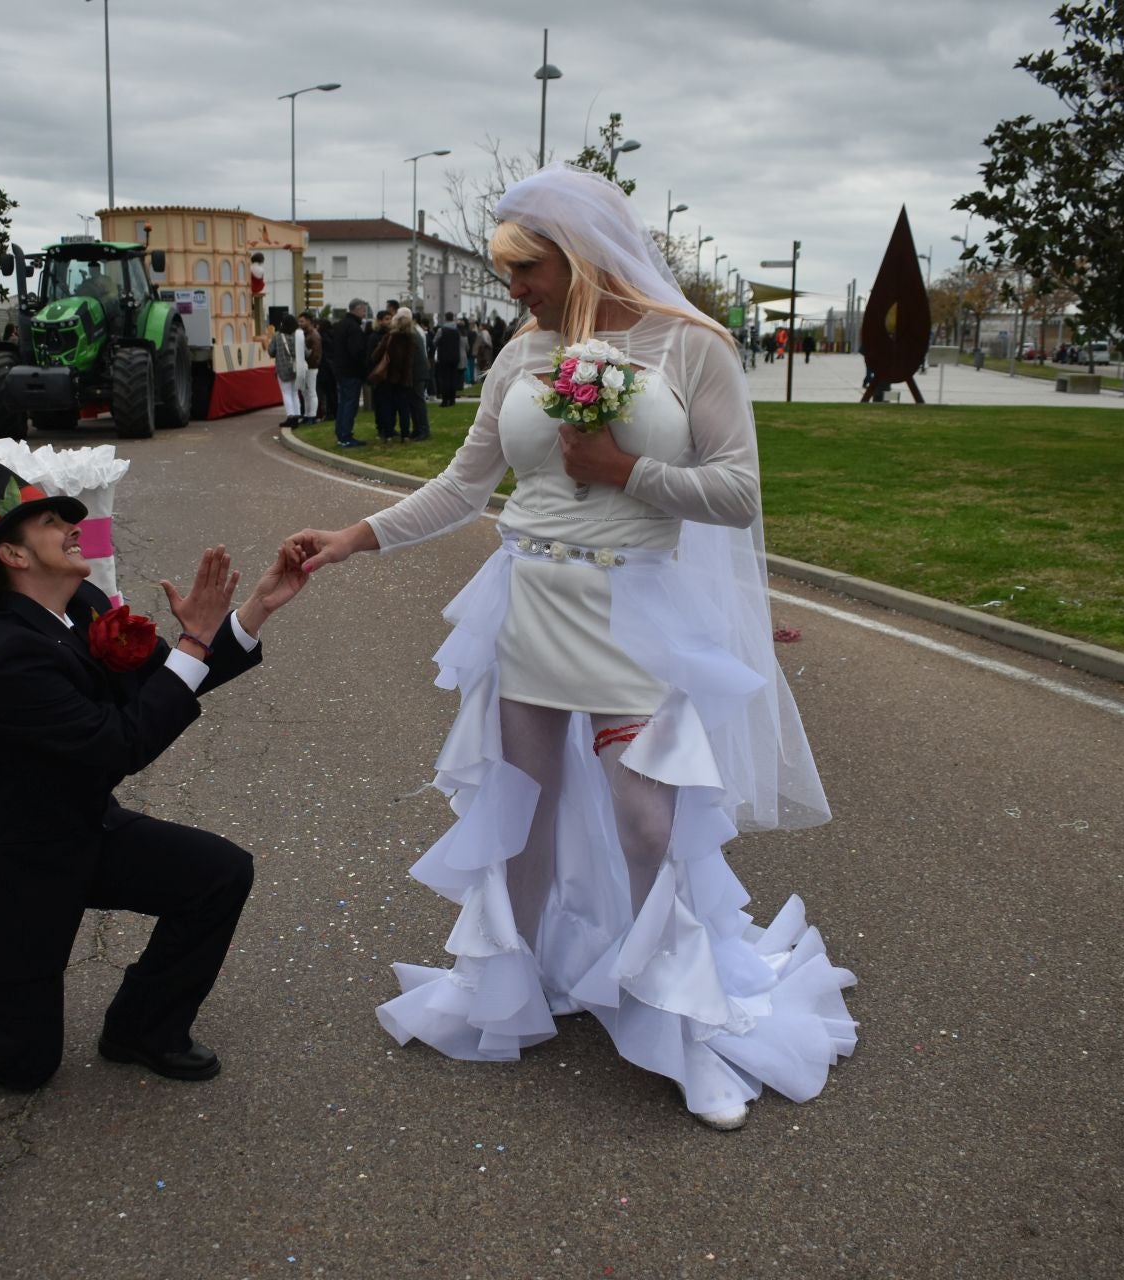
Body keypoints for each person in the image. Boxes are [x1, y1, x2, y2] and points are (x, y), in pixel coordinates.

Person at [284, 165, 854, 1132]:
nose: (516, 289)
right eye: (510, 273)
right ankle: (518, 987)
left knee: (647, 823)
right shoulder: (522, 352)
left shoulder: (694, 347)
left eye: (528, 268)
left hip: (636, 615)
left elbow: (738, 493)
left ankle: (687, 1029)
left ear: (582, 253)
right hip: (530, 606)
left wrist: (630, 471)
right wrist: (351, 540)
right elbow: (466, 489)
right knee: (521, 818)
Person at [0, 462, 309, 1091]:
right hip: (9, 872)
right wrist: (194, 642)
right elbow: (121, 743)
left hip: (82, 829)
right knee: (19, 1060)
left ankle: (143, 1026)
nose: (72, 525)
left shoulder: (80, 607)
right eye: (51, 522)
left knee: (219, 874)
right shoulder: (3, 658)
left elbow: (164, 682)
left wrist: (251, 613)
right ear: (12, 554)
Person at [368, 309, 420, 443]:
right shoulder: (411, 339)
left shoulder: (389, 337)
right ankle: (405, 434)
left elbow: (375, 355)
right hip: (404, 378)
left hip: (389, 377)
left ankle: (388, 433)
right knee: (404, 408)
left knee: (388, 406)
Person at [326, 299, 371, 449]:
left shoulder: (339, 326)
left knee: (343, 403)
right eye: (363, 310)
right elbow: (357, 352)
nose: (364, 313)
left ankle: (341, 434)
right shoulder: (354, 328)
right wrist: (364, 368)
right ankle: (346, 436)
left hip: (340, 370)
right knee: (350, 404)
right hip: (352, 372)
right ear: (356, 309)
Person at [269, 313, 304, 426]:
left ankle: (291, 416)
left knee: (286, 393)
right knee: (295, 392)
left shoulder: (277, 336)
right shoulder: (298, 335)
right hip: (296, 368)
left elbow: (271, 352)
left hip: (283, 368)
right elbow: (305, 352)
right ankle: (297, 415)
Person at [433, 312, 465, 407]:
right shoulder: (457, 330)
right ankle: (452, 399)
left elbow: (435, 342)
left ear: (445, 318)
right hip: (455, 357)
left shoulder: (441, 330)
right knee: (453, 378)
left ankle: (445, 400)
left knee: (445, 379)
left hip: (444, 357)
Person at [297, 313, 322, 423]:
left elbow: (316, 354)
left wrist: (309, 364)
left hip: (311, 367)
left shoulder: (313, 335)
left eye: (302, 321)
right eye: (299, 321)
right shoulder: (306, 334)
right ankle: (307, 415)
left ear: (309, 321)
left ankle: (312, 415)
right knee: (305, 392)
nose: (300, 323)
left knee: (311, 391)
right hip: (307, 366)